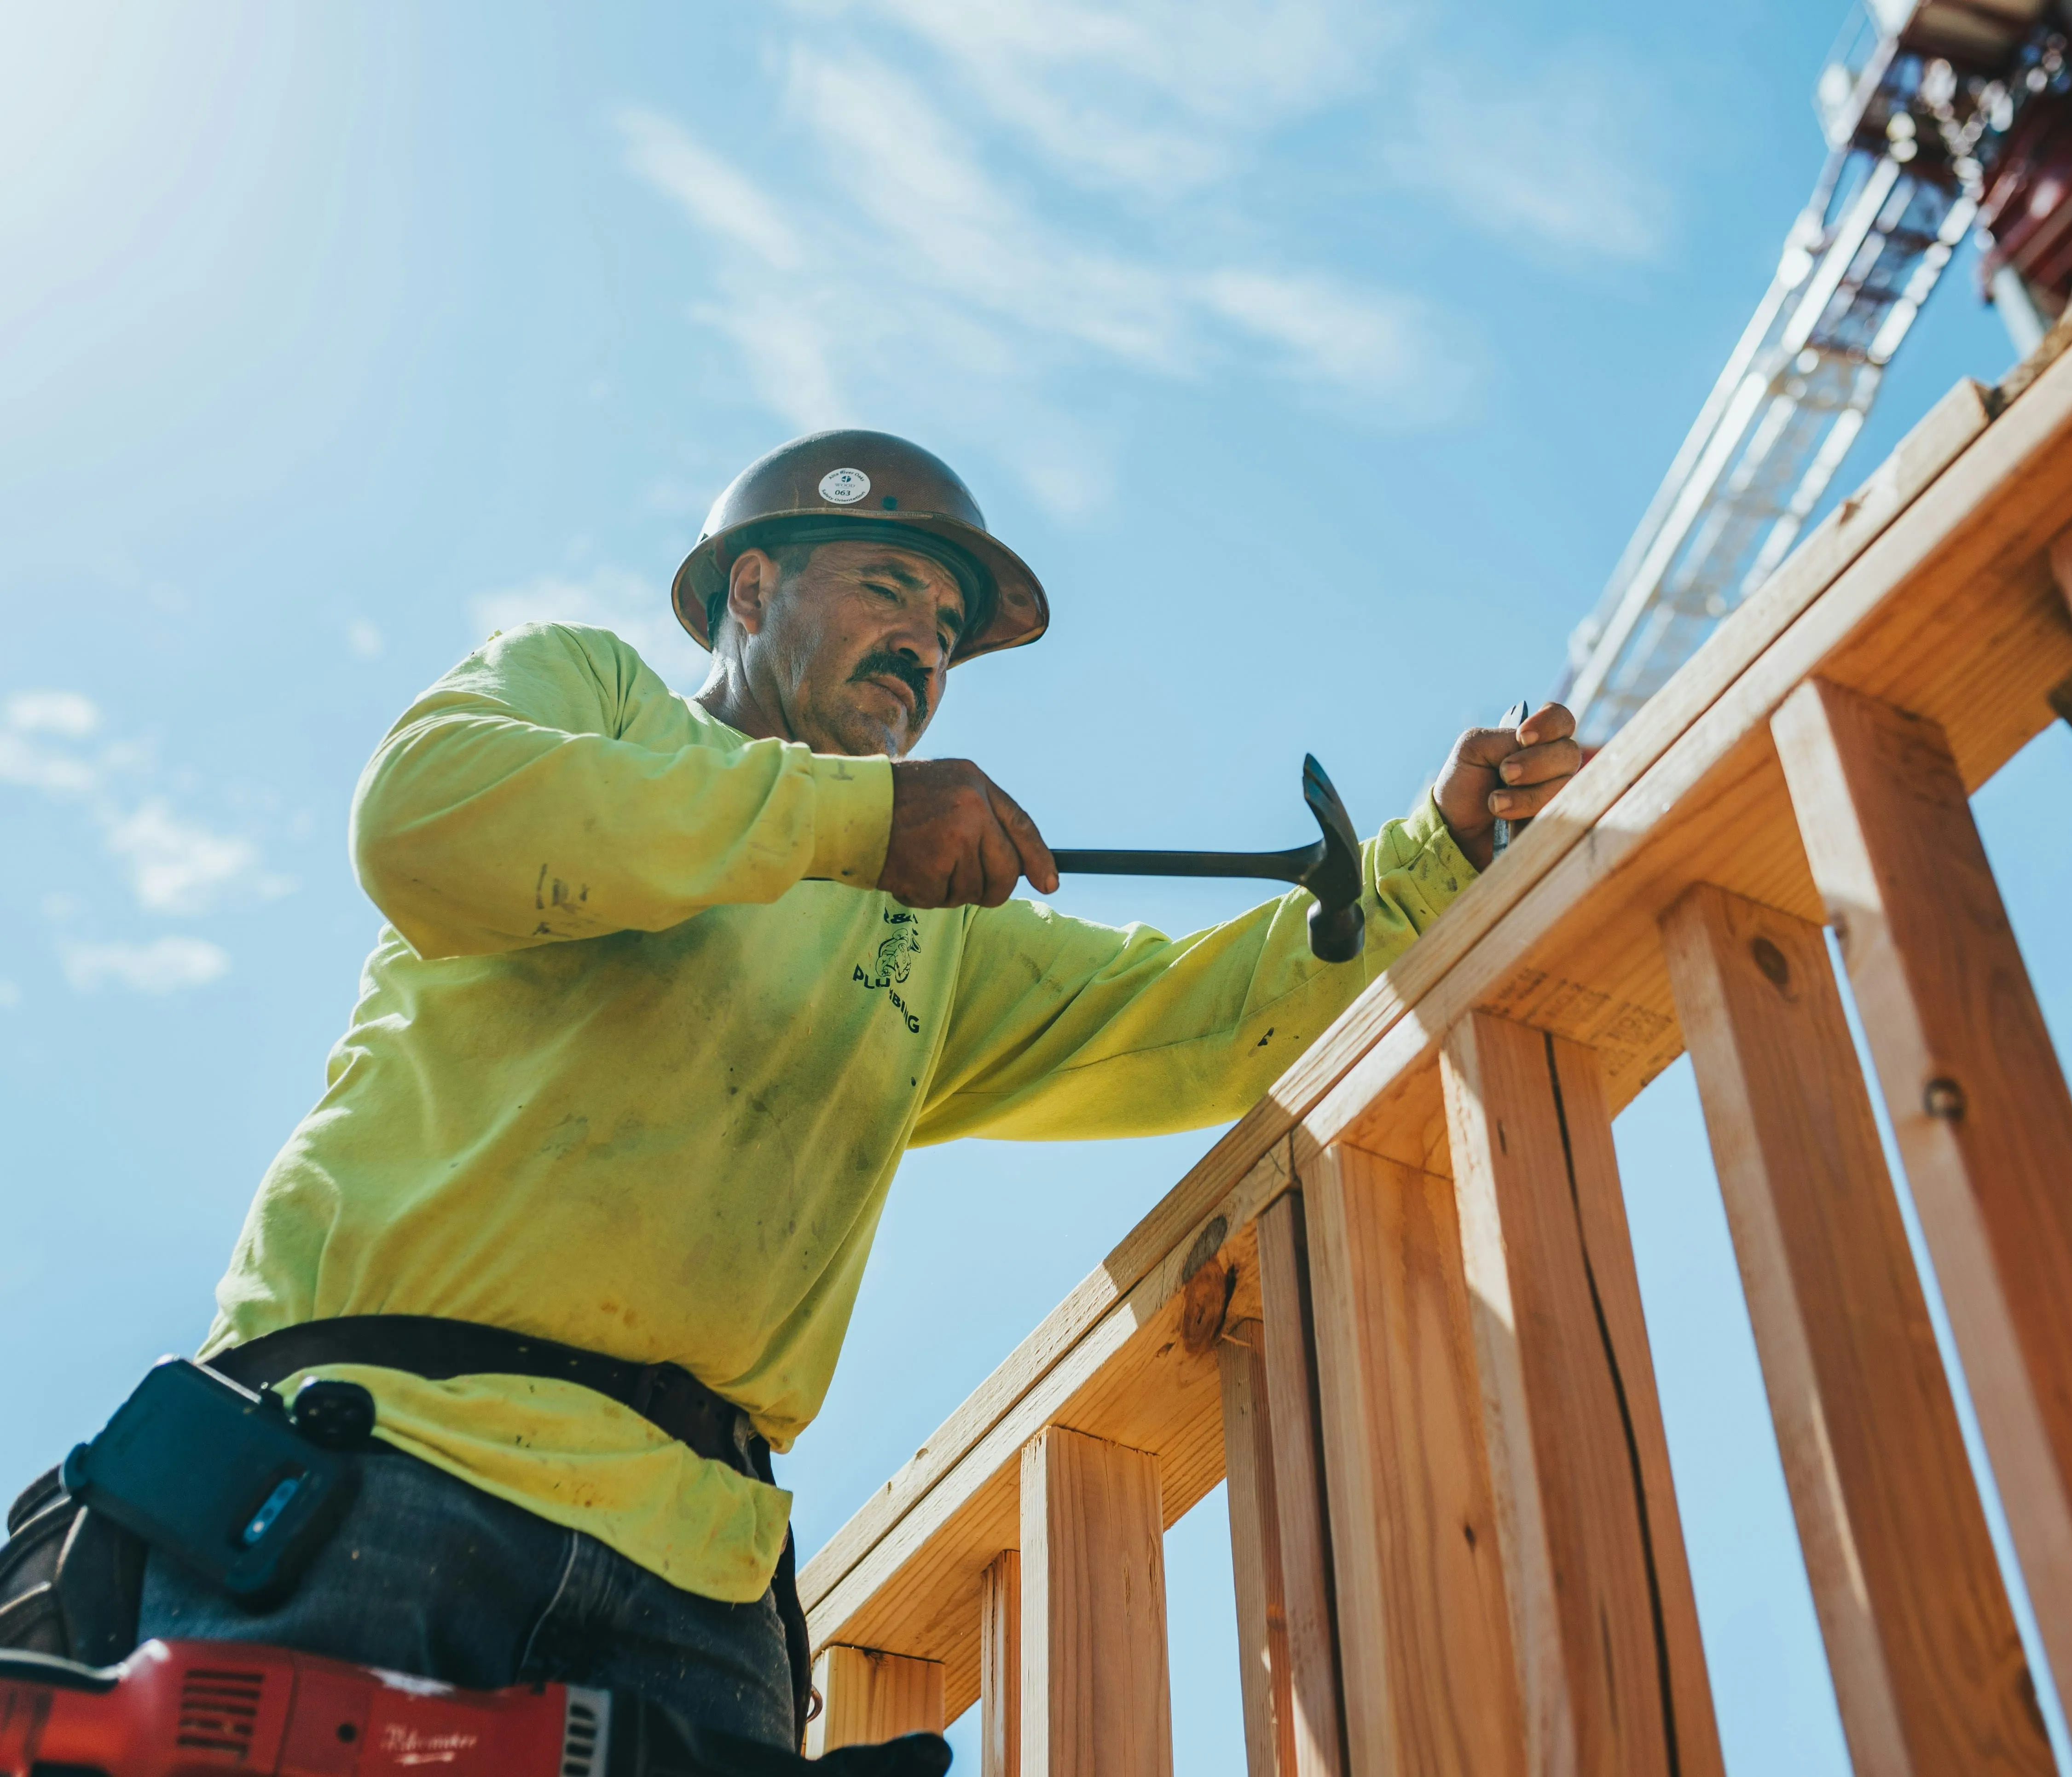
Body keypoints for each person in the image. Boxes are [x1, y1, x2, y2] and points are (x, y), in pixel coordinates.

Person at [127, 430, 1583, 1748]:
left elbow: (1187, 1018)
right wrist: (854, 817)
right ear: (748, 591)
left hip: (694, 1587)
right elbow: (425, 813)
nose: (925, 645)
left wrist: (1425, 865)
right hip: (381, 1464)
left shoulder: (925, 928)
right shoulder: (592, 698)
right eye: (889, 587)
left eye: (946, 628)